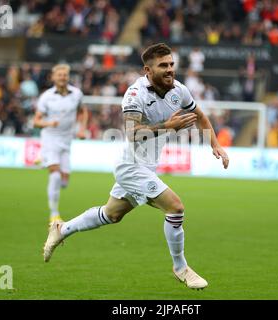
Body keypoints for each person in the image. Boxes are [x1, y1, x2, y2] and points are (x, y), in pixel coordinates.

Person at [43, 43, 229, 289]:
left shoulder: (179, 91)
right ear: (147, 70)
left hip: (147, 166)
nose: (170, 69)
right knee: (175, 208)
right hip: (130, 166)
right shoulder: (134, 94)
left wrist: (214, 144)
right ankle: (181, 268)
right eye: (163, 65)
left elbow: (201, 117)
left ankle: (61, 229)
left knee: (111, 214)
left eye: (171, 64)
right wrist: (168, 126)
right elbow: (132, 133)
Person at [33, 64, 87, 223]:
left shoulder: (76, 94)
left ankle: (42, 157)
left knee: (64, 181)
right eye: (59, 75)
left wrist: (82, 129)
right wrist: (49, 124)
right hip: (50, 138)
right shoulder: (46, 97)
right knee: (55, 176)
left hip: (67, 139)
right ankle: (54, 213)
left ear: (68, 76)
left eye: (65, 75)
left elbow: (83, 111)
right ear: (53, 77)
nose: (62, 77)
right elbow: (36, 121)